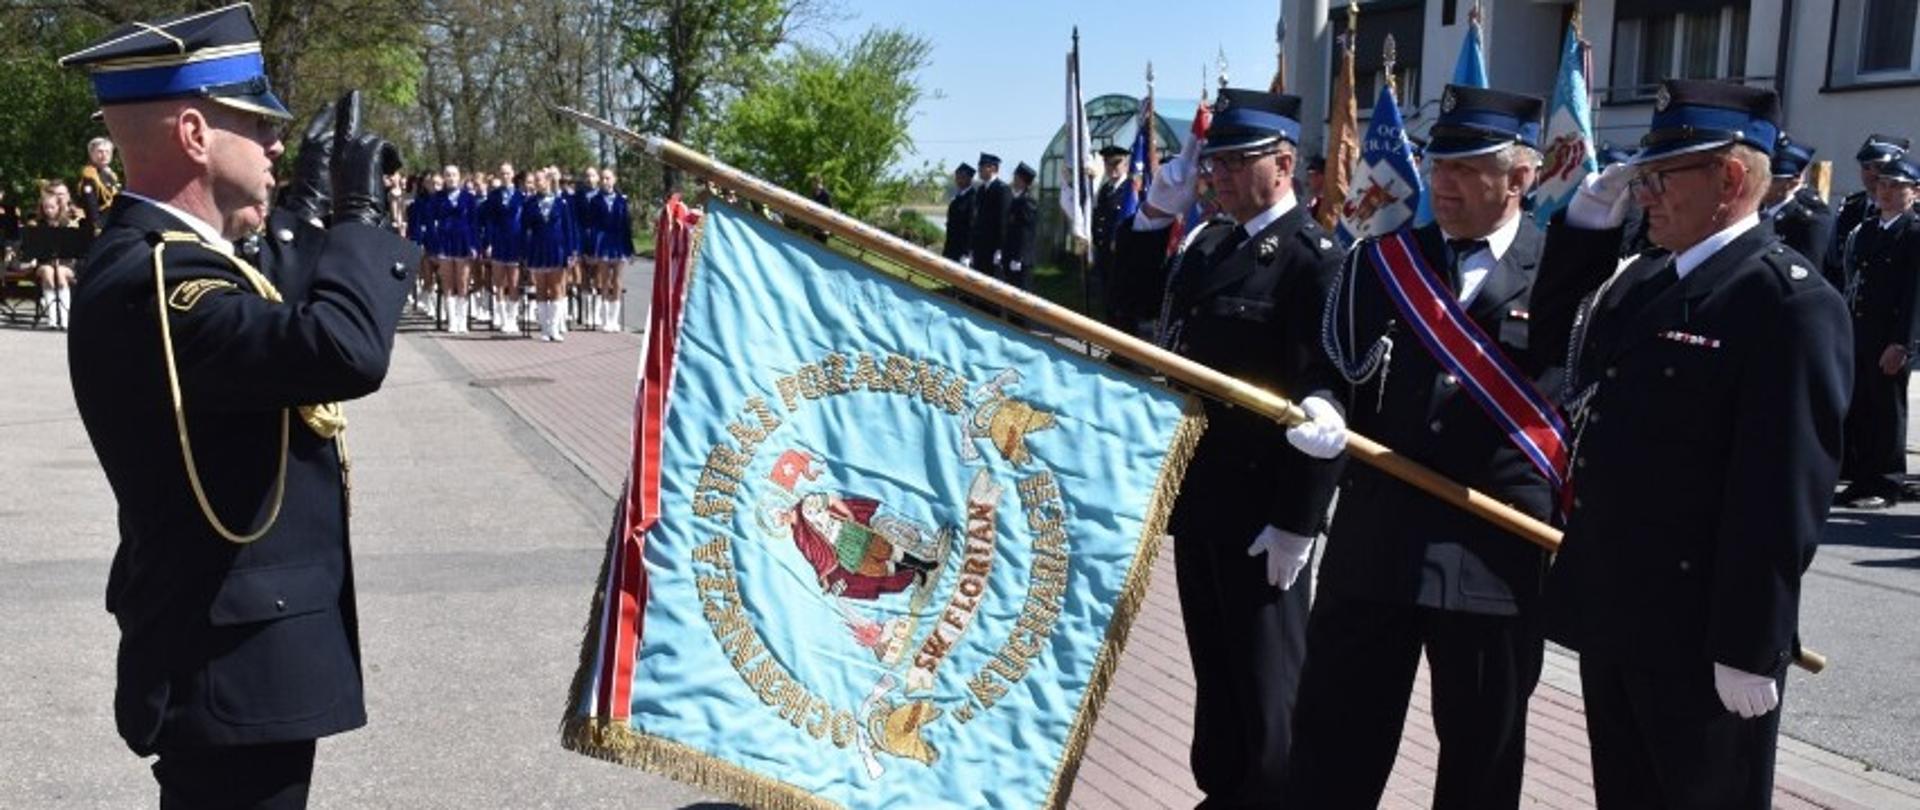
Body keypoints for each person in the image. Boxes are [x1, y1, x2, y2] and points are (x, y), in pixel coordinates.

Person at [58, 5, 417, 807]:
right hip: (228, 661)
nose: (275, 143)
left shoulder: (170, 264)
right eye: (257, 125)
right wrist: (361, 220)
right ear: (194, 134)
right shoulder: (157, 281)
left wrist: (304, 211)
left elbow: (268, 318)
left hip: (244, 647)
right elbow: (338, 347)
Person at [1532, 79, 1850, 808]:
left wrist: (1748, 643)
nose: (1643, 195)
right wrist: (1581, 228)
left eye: (1659, 177)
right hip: (1620, 614)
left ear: (1731, 179)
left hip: (1704, 637)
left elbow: (1783, 493)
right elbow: (1552, 347)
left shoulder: (1787, 301)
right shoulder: (1643, 282)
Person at [1290, 85, 1555, 810]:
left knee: (1481, 759)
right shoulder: (1383, 260)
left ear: (1521, 178)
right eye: (1439, 165)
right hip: (1377, 540)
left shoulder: (1565, 271)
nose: (1443, 183)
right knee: (1331, 745)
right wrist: (1323, 402)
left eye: (1468, 169)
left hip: (1493, 550)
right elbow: (1333, 360)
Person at [1114, 87, 1345, 806]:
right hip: (1201, 495)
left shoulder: (1314, 258)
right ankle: (1224, 792)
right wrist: (1153, 217)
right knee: (1216, 674)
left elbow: (1330, 397)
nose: (1214, 177)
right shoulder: (1210, 244)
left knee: (1267, 684)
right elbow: (1127, 310)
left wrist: (1298, 520)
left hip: (1262, 512)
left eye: (1234, 163)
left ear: (1283, 165)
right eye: (1213, 163)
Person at [1834, 156, 1920, 509]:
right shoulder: (1868, 229)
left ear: (1915, 192)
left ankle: (1886, 483)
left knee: (1887, 411)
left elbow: (1916, 293)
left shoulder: (1913, 233)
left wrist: (1903, 342)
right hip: (1861, 330)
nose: (1886, 192)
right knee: (1863, 407)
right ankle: (1863, 478)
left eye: (1896, 187)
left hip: (1891, 334)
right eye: (1883, 185)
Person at [1825, 133, 1908, 286]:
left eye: (1880, 166)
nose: (1872, 173)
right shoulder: (1849, 207)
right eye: (1866, 167)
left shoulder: (1908, 213)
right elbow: (1832, 262)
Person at [1764, 134, 1837, 290]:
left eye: (1772, 179)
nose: (1763, 184)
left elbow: (1808, 279)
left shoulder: (1807, 223)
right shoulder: (1756, 214)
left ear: (1792, 182)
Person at [523, 167, 577, 342]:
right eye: (536, 180)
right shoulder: (529, 203)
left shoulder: (561, 203)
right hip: (538, 248)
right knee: (540, 288)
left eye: (541, 179)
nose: (539, 183)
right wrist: (525, 250)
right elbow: (525, 228)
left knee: (556, 288)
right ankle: (544, 328)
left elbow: (568, 229)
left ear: (548, 181)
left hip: (558, 248)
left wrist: (571, 252)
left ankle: (554, 327)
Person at [25, 185, 82, 329]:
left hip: (66, 264)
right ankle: (52, 319)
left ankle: (64, 319)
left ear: (59, 207)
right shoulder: (36, 224)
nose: (48, 210)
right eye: (45, 207)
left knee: (60, 272)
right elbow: (30, 250)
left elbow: (76, 251)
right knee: (48, 272)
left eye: (52, 207)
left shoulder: (68, 223)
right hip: (44, 264)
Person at [432, 164, 478, 332]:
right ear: (444, 178)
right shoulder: (437, 197)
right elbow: (432, 222)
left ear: (460, 177)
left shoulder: (469, 198)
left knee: (463, 281)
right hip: (444, 242)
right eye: (448, 175)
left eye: (454, 175)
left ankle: (462, 320)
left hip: (463, 242)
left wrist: (474, 245)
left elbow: (474, 223)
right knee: (448, 282)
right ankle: (452, 320)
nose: (451, 178)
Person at [483, 162, 527, 334]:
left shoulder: (521, 195)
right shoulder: (493, 196)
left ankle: (512, 318)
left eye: (508, 173)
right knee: (499, 281)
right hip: (499, 240)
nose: (505, 176)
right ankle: (501, 316)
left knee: (514, 282)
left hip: (515, 241)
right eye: (502, 173)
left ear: (513, 174)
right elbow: (489, 221)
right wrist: (489, 243)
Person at [1091, 143, 1131, 322]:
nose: (1112, 168)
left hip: (1122, 257)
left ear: (1125, 164)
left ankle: (1123, 348)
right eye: (1108, 164)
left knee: (1123, 307)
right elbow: (1099, 219)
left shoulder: (1130, 190)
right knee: (1107, 303)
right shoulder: (1105, 190)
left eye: (1116, 163)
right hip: (1105, 255)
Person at [589, 167, 631, 332]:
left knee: (618, 281)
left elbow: (627, 225)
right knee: (604, 280)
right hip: (603, 243)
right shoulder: (595, 200)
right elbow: (592, 226)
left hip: (619, 243)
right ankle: (606, 318)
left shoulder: (622, 200)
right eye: (603, 179)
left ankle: (615, 319)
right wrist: (592, 248)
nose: (605, 181)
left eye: (608, 178)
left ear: (614, 180)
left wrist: (629, 248)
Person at [969, 153, 1011, 279]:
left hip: (993, 247)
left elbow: (1003, 221)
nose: (979, 170)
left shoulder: (1002, 189)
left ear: (993, 169)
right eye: (979, 167)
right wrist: (971, 247)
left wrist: (1000, 248)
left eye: (983, 167)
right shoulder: (981, 190)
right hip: (979, 246)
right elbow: (976, 219)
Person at [1003, 162, 1039, 292]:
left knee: (1022, 292)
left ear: (1023, 181)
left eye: (1016, 178)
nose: (1014, 180)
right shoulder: (1016, 199)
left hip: (1021, 258)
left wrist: (1019, 257)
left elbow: (1026, 232)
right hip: (1011, 254)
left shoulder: (1027, 201)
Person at [76, 136, 121, 233]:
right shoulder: (89, 176)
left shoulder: (111, 175)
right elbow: (90, 204)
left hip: (112, 222)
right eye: (100, 152)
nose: (104, 155)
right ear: (91, 154)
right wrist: (97, 226)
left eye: (107, 152)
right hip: (99, 225)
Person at [941, 162, 976, 264]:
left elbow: (971, 226)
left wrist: (967, 252)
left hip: (962, 250)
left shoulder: (973, 199)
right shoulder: (957, 198)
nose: (958, 180)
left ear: (969, 179)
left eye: (961, 177)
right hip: (950, 246)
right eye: (957, 177)